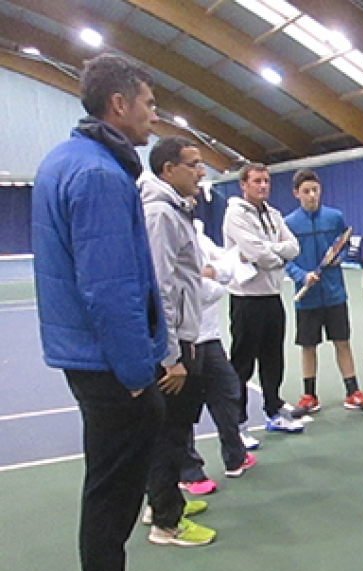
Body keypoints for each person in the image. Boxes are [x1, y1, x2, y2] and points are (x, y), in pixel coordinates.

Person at [32, 53, 169, 571]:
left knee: (106, 489)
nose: (154, 117)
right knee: (112, 498)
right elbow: (110, 289)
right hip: (110, 366)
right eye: (148, 104)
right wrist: (140, 374)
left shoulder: (69, 159)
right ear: (119, 105)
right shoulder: (98, 174)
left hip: (88, 359)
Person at [139, 136, 217, 547]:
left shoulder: (176, 209)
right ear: (168, 169)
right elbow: (160, 288)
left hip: (186, 336)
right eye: (193, 164)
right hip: (175, 347)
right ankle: (166, 522)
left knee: (173, 429)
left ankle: (160, 501)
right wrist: (172, 356)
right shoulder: (161, 215)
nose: (201, 171)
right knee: (171, 433)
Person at [285, 169, 363, 413]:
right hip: (307, 298)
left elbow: (345, 242)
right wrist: (301, 276)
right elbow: (285, 259)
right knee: (308, 346)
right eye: (306, 191)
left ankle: (353, 392)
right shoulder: (289, 224)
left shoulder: (335, 217)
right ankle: (309, 396)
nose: (312, 195)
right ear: (296, 194)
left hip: (335, 293)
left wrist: (340, 257)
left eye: (315, 190)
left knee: (342, 342)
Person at [175, 220, 256, 491]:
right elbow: (192, 288)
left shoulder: (201, 235)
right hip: (183, 340)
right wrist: (214, 281)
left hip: (210, 338)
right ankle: (189, 472)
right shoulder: (164, 228)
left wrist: (212, 274)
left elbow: (225, 268)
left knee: (228, 391)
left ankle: (235, 457)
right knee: (184, 409)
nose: (199, 178)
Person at [223, 163, 302, 432]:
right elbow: (257, 253)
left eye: (266, 181)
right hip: (246, 300)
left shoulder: (275, 214)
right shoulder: (235, 215)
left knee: (273, 359)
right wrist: (274, 254)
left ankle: (273, 411)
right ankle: (238, 423)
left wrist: (271, 252)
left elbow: (293, 247)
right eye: (257, 181)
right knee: (242, 364)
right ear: (244, 185)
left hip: (272, 297)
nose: (263, 186)